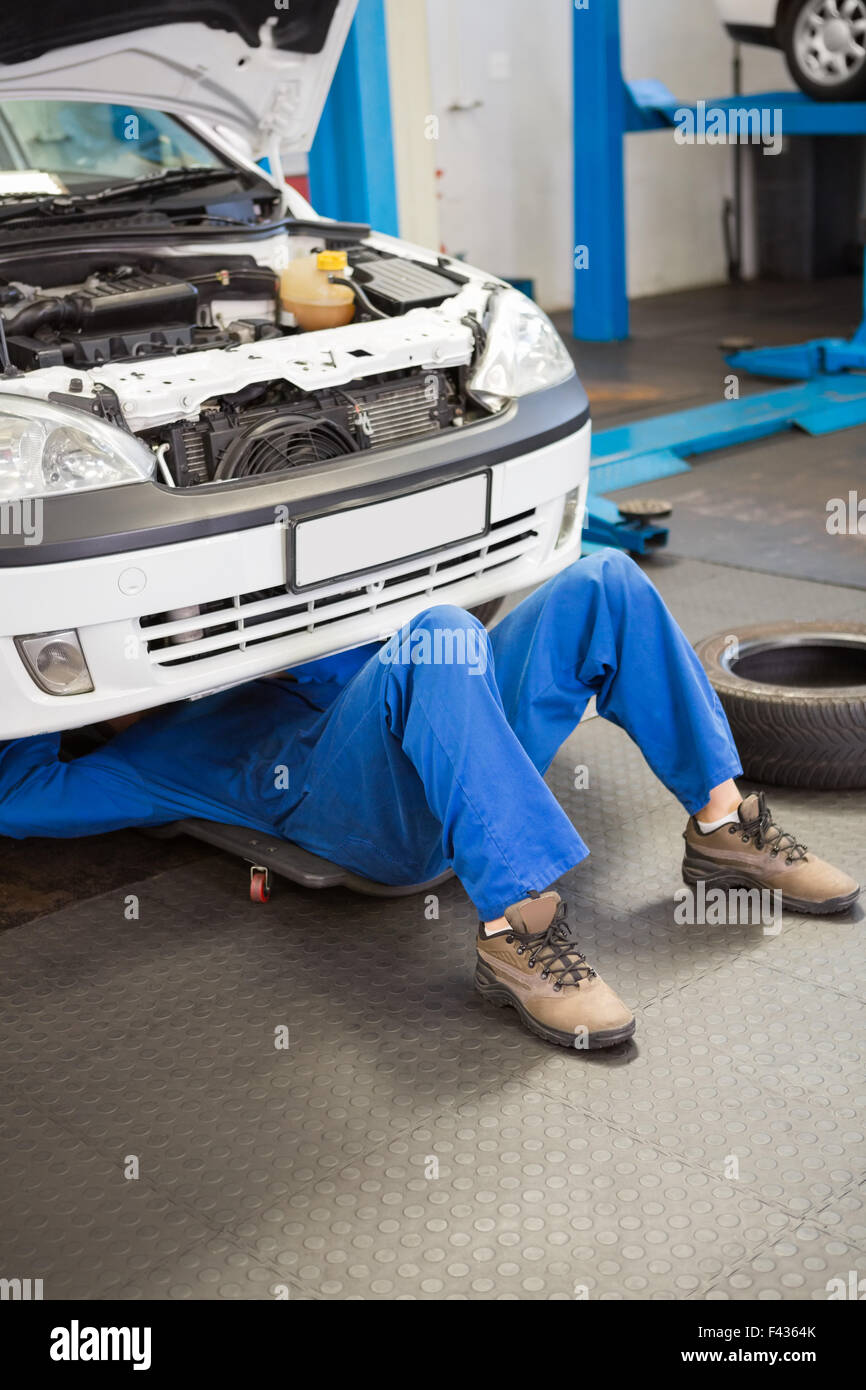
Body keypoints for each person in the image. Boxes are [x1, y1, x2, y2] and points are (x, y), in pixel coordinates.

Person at [0, 549, 858, 1049]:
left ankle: (723, 828)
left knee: (606, 577)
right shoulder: (152, 749)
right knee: (444, 636)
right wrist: (52, 683)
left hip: (460, 738)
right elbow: (22, 795)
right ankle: (519, 937)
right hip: (369, 818)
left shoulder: (304, 627)